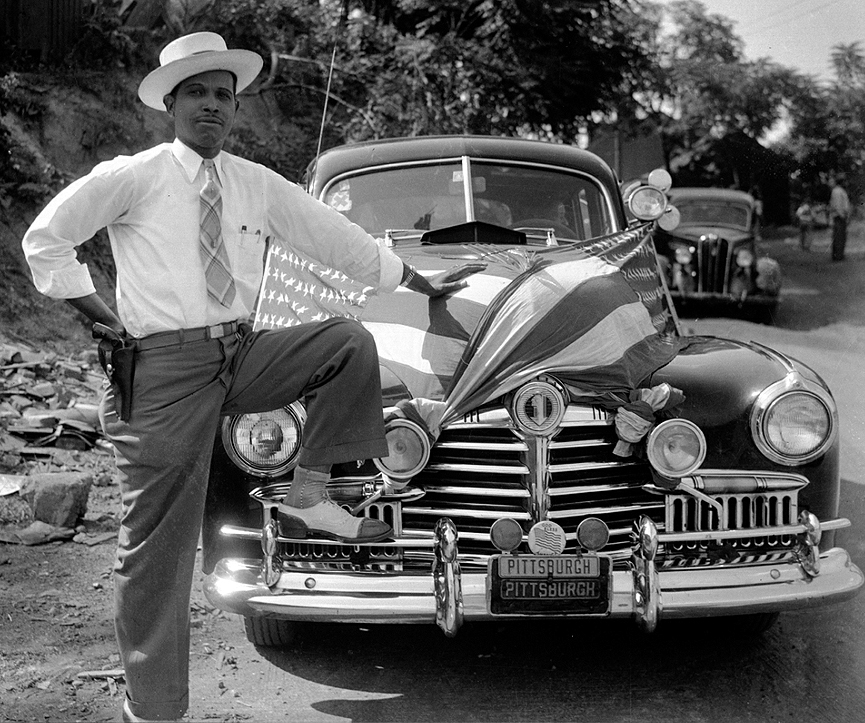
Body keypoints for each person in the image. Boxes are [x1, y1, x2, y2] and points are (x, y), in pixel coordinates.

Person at [21, 32, 482, 722]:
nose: (212, 106)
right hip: (164, 370)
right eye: (198, 93)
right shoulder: (133, 175)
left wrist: (423, 282)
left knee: (344, 342)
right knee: (158, 548)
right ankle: (152, 707)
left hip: (239, 353)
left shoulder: (253, 183)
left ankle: (312, 494)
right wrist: (99, 316)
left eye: (224, 96)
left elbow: (340, 241)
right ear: (170, 103)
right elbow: (45, 239)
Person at [829, 176, 851, 261]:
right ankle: (838, 256)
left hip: (840, 216)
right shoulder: (838, 191)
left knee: (840, 236)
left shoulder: (839, 191)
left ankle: (838, 255)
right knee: (839, 237)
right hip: (839, 216)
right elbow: (838, 205)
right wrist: (842, 216)